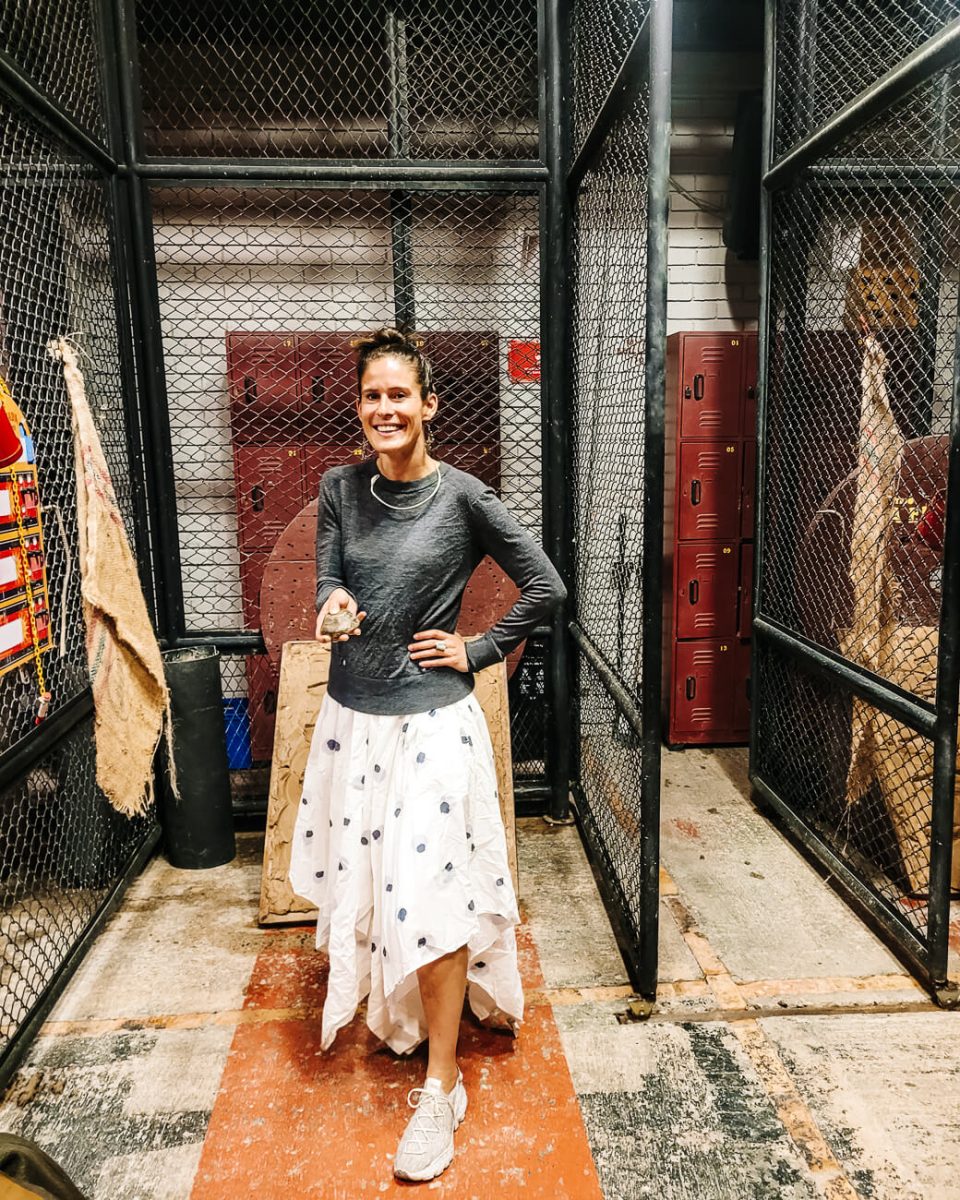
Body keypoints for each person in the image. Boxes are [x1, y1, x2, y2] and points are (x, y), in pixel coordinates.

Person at [288, 327, 565, 1182]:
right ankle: (398, 1011)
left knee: (434, 896)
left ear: (429, 406)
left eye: (399, 395)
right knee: (376, 886)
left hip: (434, 729)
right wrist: (333, 604)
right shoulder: (340, 488)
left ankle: (442, 1086)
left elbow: (548, 586)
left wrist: (480, 649)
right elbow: (331, 576)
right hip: (354, 723)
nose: (384, 410)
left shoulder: (466, 498)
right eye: (372, 396)